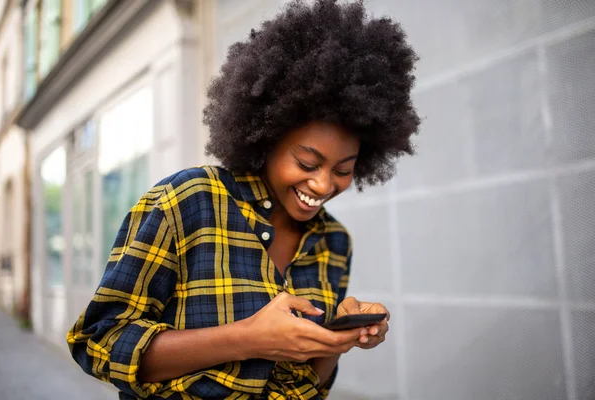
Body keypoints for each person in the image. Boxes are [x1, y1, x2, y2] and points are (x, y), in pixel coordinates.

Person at [67, 0, 420, 398]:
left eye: (342, 169)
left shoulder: (334, 243)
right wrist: (248, 338)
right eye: (307, 162)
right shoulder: (188, 202)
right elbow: (98, 343)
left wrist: (337, 340)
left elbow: (306, 388)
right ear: (267, 138)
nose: (323, 186)